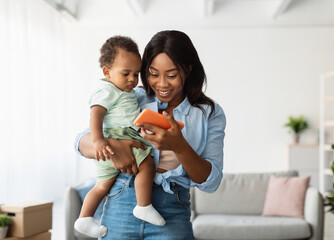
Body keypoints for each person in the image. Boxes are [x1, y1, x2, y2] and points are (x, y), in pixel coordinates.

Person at [74, 30, 226, 239]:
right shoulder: (132, 97)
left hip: (171, 210)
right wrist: (114, 148)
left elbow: (212, 181)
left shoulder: (209, 113)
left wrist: (179, 146)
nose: (161, 84)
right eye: (153, 74)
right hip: (121, 200)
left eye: (171, 75)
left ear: (188, 70)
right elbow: (80, 140)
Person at [74, 36, 165, 238]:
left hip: (115, 139)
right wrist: (99, 141)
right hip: (117, 136)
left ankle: (84, 218)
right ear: (107, 72)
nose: (132, 80)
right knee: (148, 165)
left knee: (102, 185)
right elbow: (95, 114)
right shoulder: (108, 90)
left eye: (136, 74)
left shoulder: (127, 91)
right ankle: (143, 205)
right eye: (126, 74)